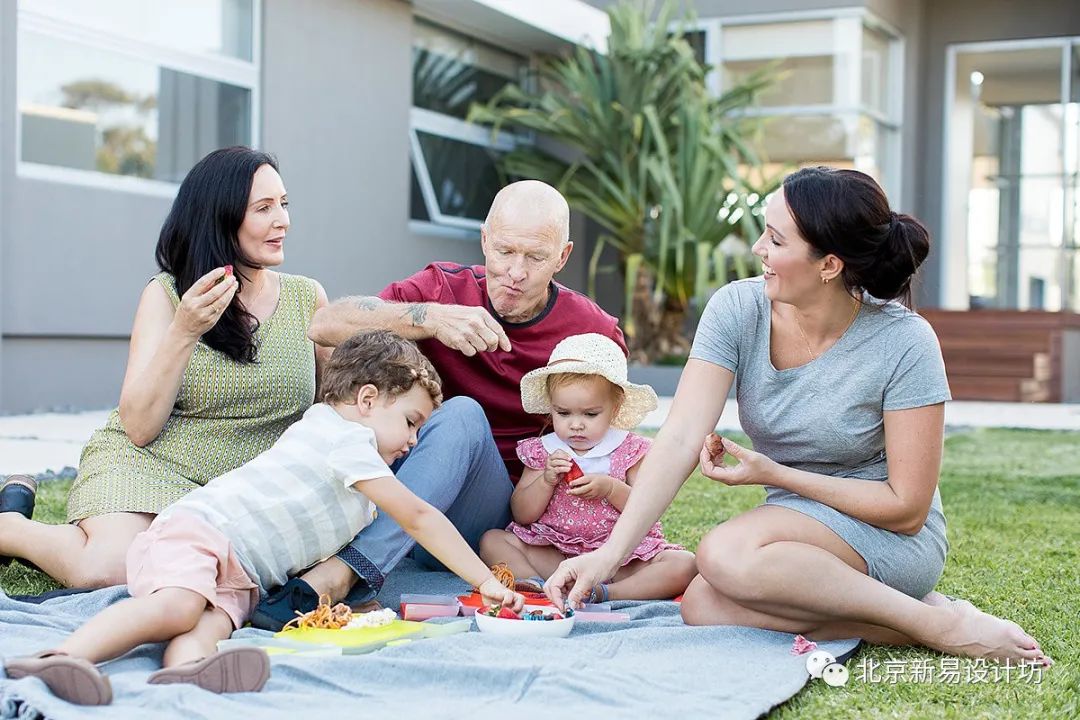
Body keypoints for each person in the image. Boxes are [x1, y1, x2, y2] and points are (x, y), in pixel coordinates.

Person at [544, 167, 1052, 667]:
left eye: (775, 240)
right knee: (702, 605)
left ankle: (943, 627)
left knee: (721, 553)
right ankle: (911, 617)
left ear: (828, 264)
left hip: (889, 538)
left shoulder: (906, 342)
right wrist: (608, 555)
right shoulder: (737, 310)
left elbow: (907, 507)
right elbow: (678, 440)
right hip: (790, 545)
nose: (758, 250)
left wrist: (774, 474)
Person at [3, 331, 525, 706]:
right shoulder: (344, 439)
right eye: (410, 423)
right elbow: (416, 515)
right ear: (367, 400)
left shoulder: (357, 465)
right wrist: (482, 581)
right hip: (201, 534)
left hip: (242, 571)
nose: (413, 442)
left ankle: (185, 675)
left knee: (212, 621)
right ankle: (63, 656)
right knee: (180, 605)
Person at [254, 180, 626, 629]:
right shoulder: (442, 290)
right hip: (405, 489)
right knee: (457, 415)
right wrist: (429, 319)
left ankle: (343, 573)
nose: (516, 272)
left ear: (562, 257)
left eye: (535, 257)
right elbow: (326, 324)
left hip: (499, 521)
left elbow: (617, 446)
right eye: (505, 251)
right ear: (484, 239)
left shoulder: (594, 330)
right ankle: (346, 560)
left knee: (465, 415)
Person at [0, 146, 329, 587]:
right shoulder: (167, 295)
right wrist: (184, 330)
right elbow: (138, 427)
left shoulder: (307, 298)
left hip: (244, 492)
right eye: (263, 208)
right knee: (107, 568)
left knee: (202, 575)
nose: (283, 220)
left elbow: (330, 412)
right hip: (151, 465)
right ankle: (10, 528)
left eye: (283, 204)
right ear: (221, 216)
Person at [479, 333, 696, 602]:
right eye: (564, 413)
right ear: (551, 408)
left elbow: (647, 506)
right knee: (493, 541)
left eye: (590, 414)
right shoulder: (544, 450)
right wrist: (546, 480)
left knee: (684, 563)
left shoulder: (629, 450)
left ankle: (603, 592)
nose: (576, 424)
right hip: (555, 551)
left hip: (619, 558)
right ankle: (535, 585)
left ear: (615, 408)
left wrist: (611, 488)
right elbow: (522, 514)